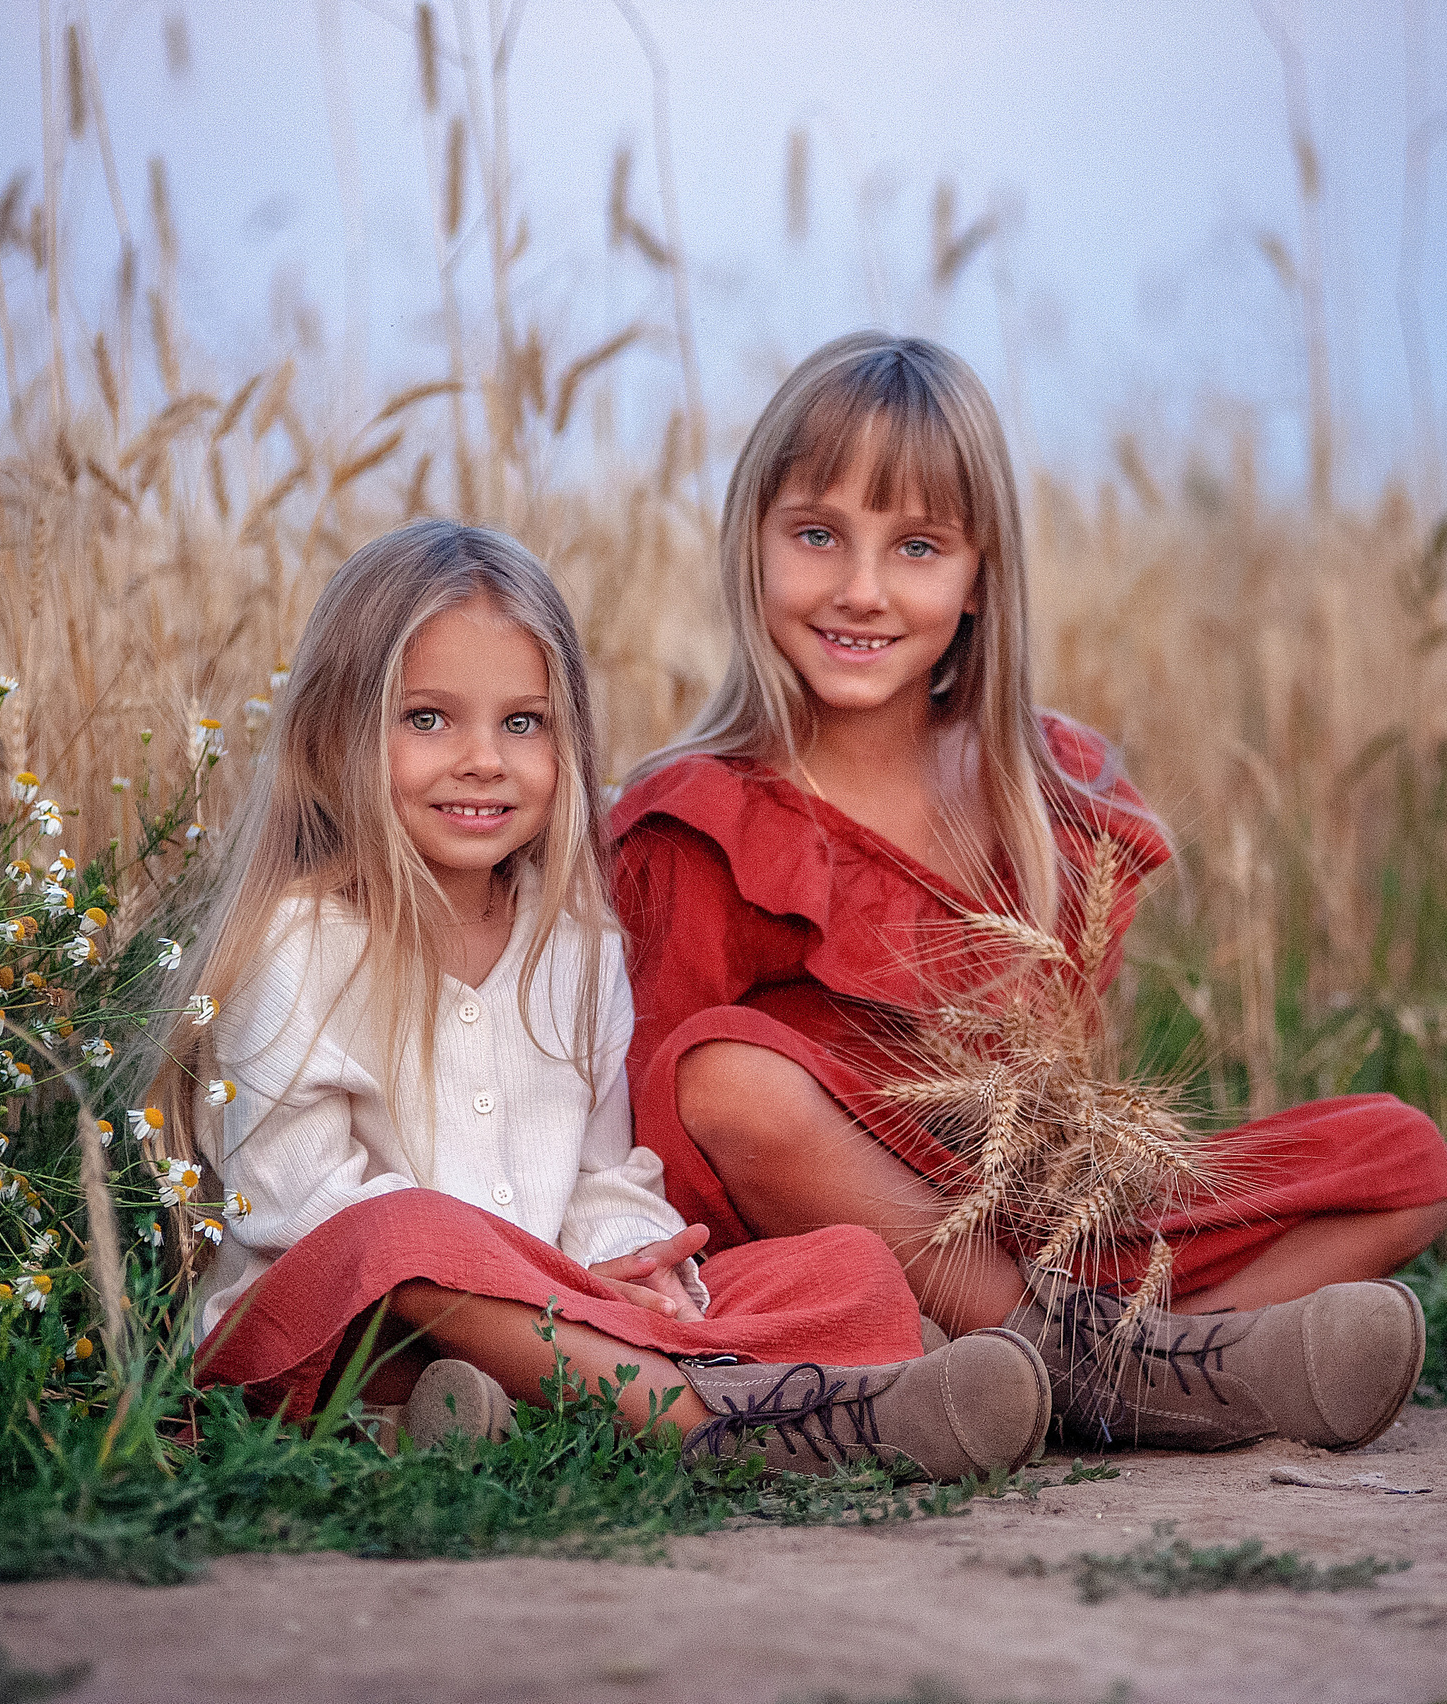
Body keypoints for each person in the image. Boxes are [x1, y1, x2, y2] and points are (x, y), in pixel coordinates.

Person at [610, 333, 1447, 1452]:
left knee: (1402, 1162)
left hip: (1037, 1228)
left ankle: (1078, 1362)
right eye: (817, 536)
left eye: (916, 546)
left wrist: (1072, 1205)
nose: (861, 590)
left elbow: (1059, 1084)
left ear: (978, 579)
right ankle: (1119, 1370)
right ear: (751, 547)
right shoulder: (697, 815)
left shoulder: (1047, 795)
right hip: (830, 1233)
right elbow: (663, 1125)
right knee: (727, 1080)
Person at [152, 518, 1052, 1479]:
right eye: (427, 719)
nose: (483, 759)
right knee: (402, 1231)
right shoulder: (299, 944)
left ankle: (480, 1419)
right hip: (340, 1340)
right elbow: (297, 1208)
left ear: (566, 740)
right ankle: (747, 1429)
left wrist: (640, 1265)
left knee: (842, 1264)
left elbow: (599, 1173)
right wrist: (547, 1290)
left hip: (566, 1323)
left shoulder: (574, 946)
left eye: (522, 722)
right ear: (335, 736)